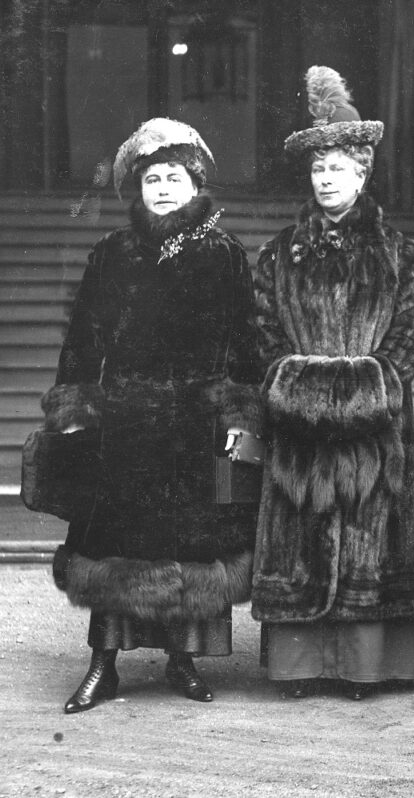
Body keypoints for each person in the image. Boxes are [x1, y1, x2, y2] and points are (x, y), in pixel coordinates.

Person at [47, 118, 263, 713]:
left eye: (175, 176)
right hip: (128, 426)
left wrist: (241, 417)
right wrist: (77, 407)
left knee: (193, 547)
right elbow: (82, 341)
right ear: (137, 188)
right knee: (114, 545)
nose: (164, 186)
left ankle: (183, 661)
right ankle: (103, 666)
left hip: (197, 428)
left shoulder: (225, 256)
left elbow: (246, 347)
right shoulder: (110, 254)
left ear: (195, 186)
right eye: (152, 177)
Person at [249, 66, 414, 700]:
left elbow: (408, 339)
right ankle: (299, 669)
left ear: (362, 174)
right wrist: (299, 390)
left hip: (374, 436)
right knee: (302, 537)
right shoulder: (277, 254)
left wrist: (361, 392)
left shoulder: (399, 254)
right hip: (297, 435)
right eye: (317, 170)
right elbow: (264, 335)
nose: (326, 180)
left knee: (368, 542)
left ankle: (366, 668)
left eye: (339, 169)